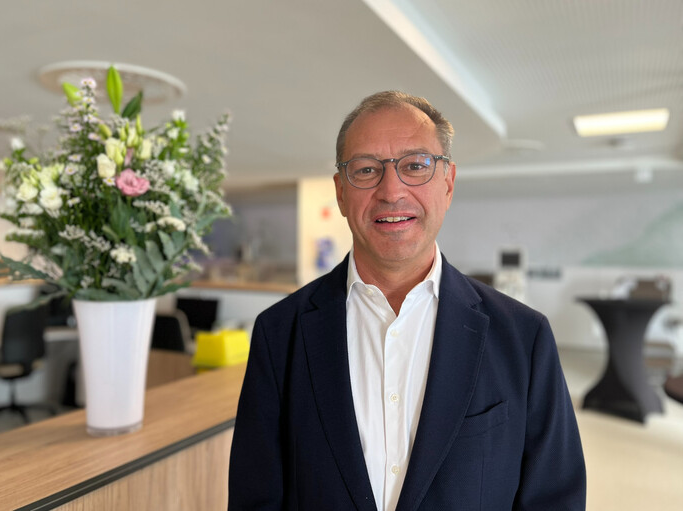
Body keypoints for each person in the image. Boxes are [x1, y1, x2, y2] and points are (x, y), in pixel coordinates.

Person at [228, 91, 586, 510]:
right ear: (341, 192)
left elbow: (554, 499)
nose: (391, 190)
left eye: (415, 165)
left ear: (448, 183)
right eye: (366, 169)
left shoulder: (524, 337)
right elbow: (255, 500)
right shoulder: (279, 333)